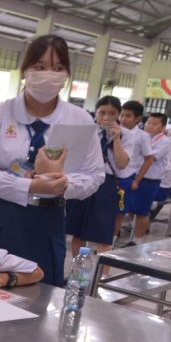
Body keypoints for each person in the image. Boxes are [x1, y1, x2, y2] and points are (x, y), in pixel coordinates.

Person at [0, 34, 103, 288]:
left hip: (47, 220)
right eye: (40, 66)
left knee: (41, 293)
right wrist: (29, 186)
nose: (49, 75)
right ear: (25, 70)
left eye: (58, 68)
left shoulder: (79, 119)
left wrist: (63, 183)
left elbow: (94, 175)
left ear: (67, 74)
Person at [65, 96, 130, 257]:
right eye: (102, 113)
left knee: (104, 235)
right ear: (96, 113)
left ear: (118, 114)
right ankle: (78, 269)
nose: (107, 117)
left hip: (106, 184)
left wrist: (116, 139)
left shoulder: (127, 134)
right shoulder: (87, 131)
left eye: (112, 113)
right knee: (78, 233)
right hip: (84, 179)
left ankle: (102, 272)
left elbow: (122, 163)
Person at [112, 101, 153, 241]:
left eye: (128, 116)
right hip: (110, 175)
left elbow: (149, 159)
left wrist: (137, 180)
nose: (123, 119)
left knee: (119, 212)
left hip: (126, 177)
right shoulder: (114, 130)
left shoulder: (142, 136)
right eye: (122, 115)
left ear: (138, 118)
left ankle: (111, 240)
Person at [130, 113, 171, 241]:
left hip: (150, 180)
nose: (150, 126)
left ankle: (137, 241)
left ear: (162, 127)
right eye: (148, 122)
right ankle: (132, 235)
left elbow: (151, 158)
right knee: (130, 208)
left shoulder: (164, 141)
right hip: (135, 176)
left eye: (154, 124)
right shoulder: (143, 137)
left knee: (142, 212)